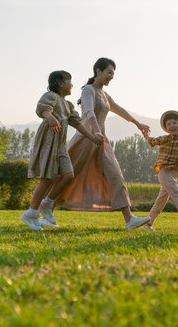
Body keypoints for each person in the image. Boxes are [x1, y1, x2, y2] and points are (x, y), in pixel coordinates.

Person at [52, 58, 151, 230]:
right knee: (67, 176)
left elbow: (120, 109)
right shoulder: (88, 90)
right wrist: (96, 131)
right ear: (98, 71)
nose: (111, 76)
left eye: (113, 73)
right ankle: (45, 211)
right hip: (86, 139)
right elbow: (89, 111)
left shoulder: (104, 95)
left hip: (101, 141)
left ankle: (129, 219)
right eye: (109, 72)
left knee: (115, 175)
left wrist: (138, 124)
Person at [21, 70, 99, 231]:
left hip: (60, 146)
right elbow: (42, 109)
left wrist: (92, 138)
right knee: (46, 179)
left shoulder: (68, 105)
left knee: (68, 175)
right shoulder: (51, 97)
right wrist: (49, 117)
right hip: (48, 143)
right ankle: (31, 213)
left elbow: (78, 124)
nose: (72, 85)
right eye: (69, 81)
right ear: (59, 83)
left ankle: (47, 204)